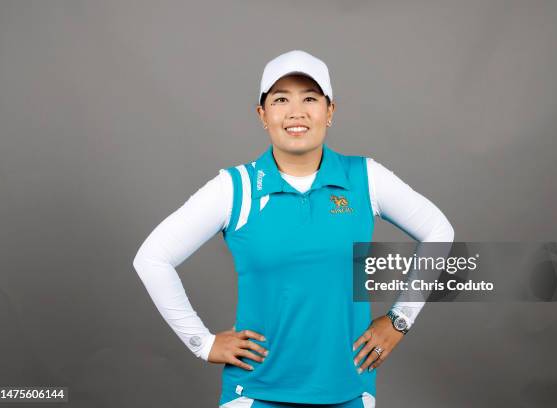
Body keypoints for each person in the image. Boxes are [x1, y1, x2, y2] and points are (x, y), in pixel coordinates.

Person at [133, 50, 454, 407]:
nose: (296, 112)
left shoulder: (365, 178)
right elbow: (152, 258)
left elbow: (439, 232)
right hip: (255, 395)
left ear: (330, 111)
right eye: (281, 99)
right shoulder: (234, 188)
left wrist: (399, 321)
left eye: (311, 99)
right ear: (263, 114)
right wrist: (201, 342)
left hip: (349, 392)